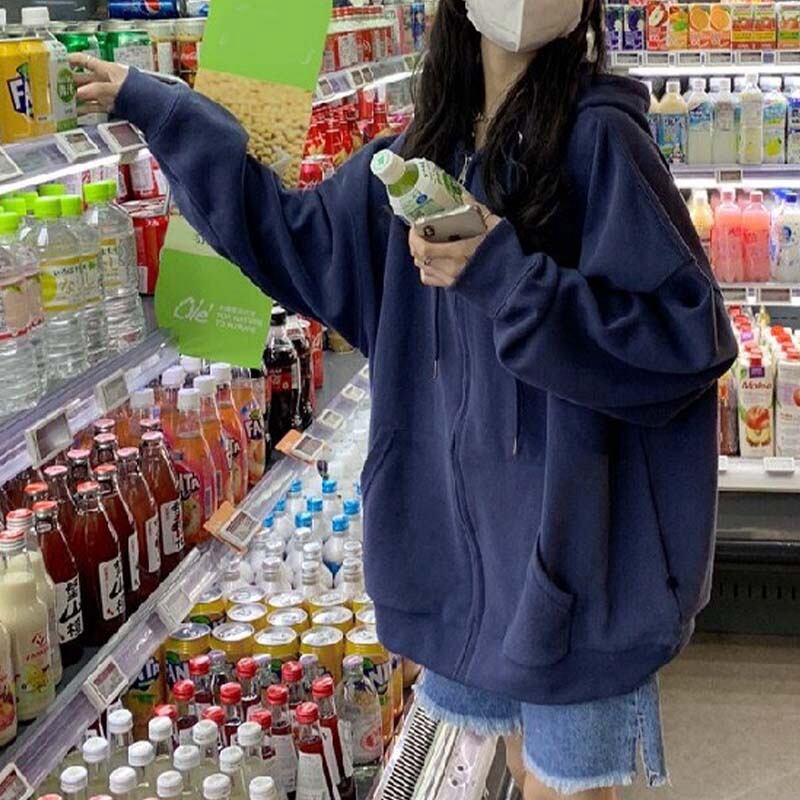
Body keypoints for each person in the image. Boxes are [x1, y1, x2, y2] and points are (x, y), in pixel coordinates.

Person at [76, 0, 737, 796]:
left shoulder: (601, 143)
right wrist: (163, 108)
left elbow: (685, 340)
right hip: (462, 559)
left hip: (574, 562)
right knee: (510, 765)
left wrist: (505, 276)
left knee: (563, 783)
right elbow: (291, 239)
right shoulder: (421, 157)